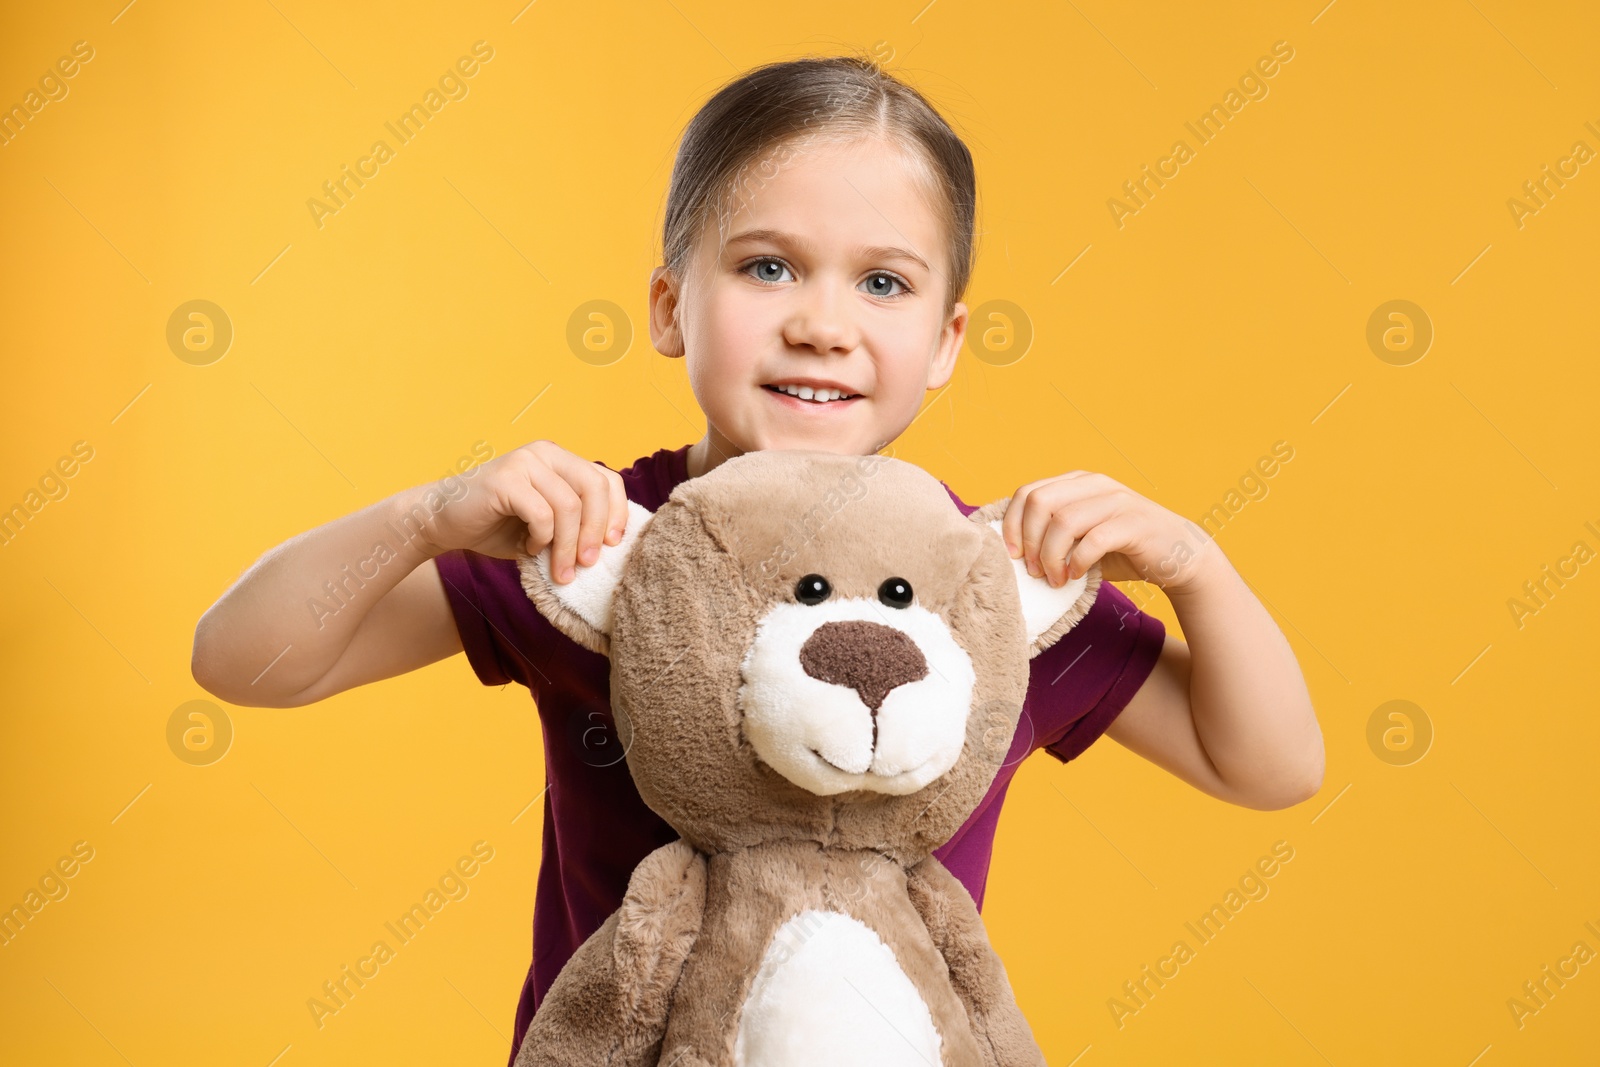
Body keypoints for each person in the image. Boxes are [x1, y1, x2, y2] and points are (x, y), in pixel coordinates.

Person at [191, 53, 1324, 1064]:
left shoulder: (984, 581)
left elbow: (1266, 766)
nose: (822, 323)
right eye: (768, 267)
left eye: (882, 283)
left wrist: (1195, 565)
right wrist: (425, 514)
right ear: (671, 304)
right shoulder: (593, 532)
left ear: (943, 344)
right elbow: (242, 660)